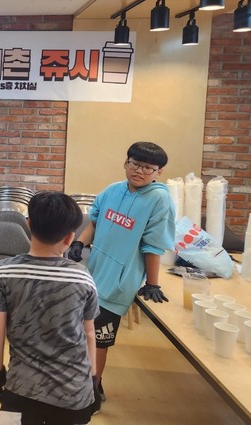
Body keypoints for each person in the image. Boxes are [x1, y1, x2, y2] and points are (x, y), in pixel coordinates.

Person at [68, 141, 174, 409]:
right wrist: (79, 242)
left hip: (119, 283)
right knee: (83, 333)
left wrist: (152, 283)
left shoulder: (159, 199)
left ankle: (91, 394)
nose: (140, 171)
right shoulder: (113, 190)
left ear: (159, 172)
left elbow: (153, 244)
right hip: (94, 274)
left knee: (98, 339)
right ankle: (91, 383)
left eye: (148, 168)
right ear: (126, 163)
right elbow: (95, 221)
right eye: (135, 164)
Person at [0, 191, 99, 424]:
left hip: (21, 388)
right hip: (74, 393)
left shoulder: (4, 272)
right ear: (70, 237)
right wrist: (94, 378)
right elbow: (89, 333)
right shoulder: (82, 277)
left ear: (29, 224)